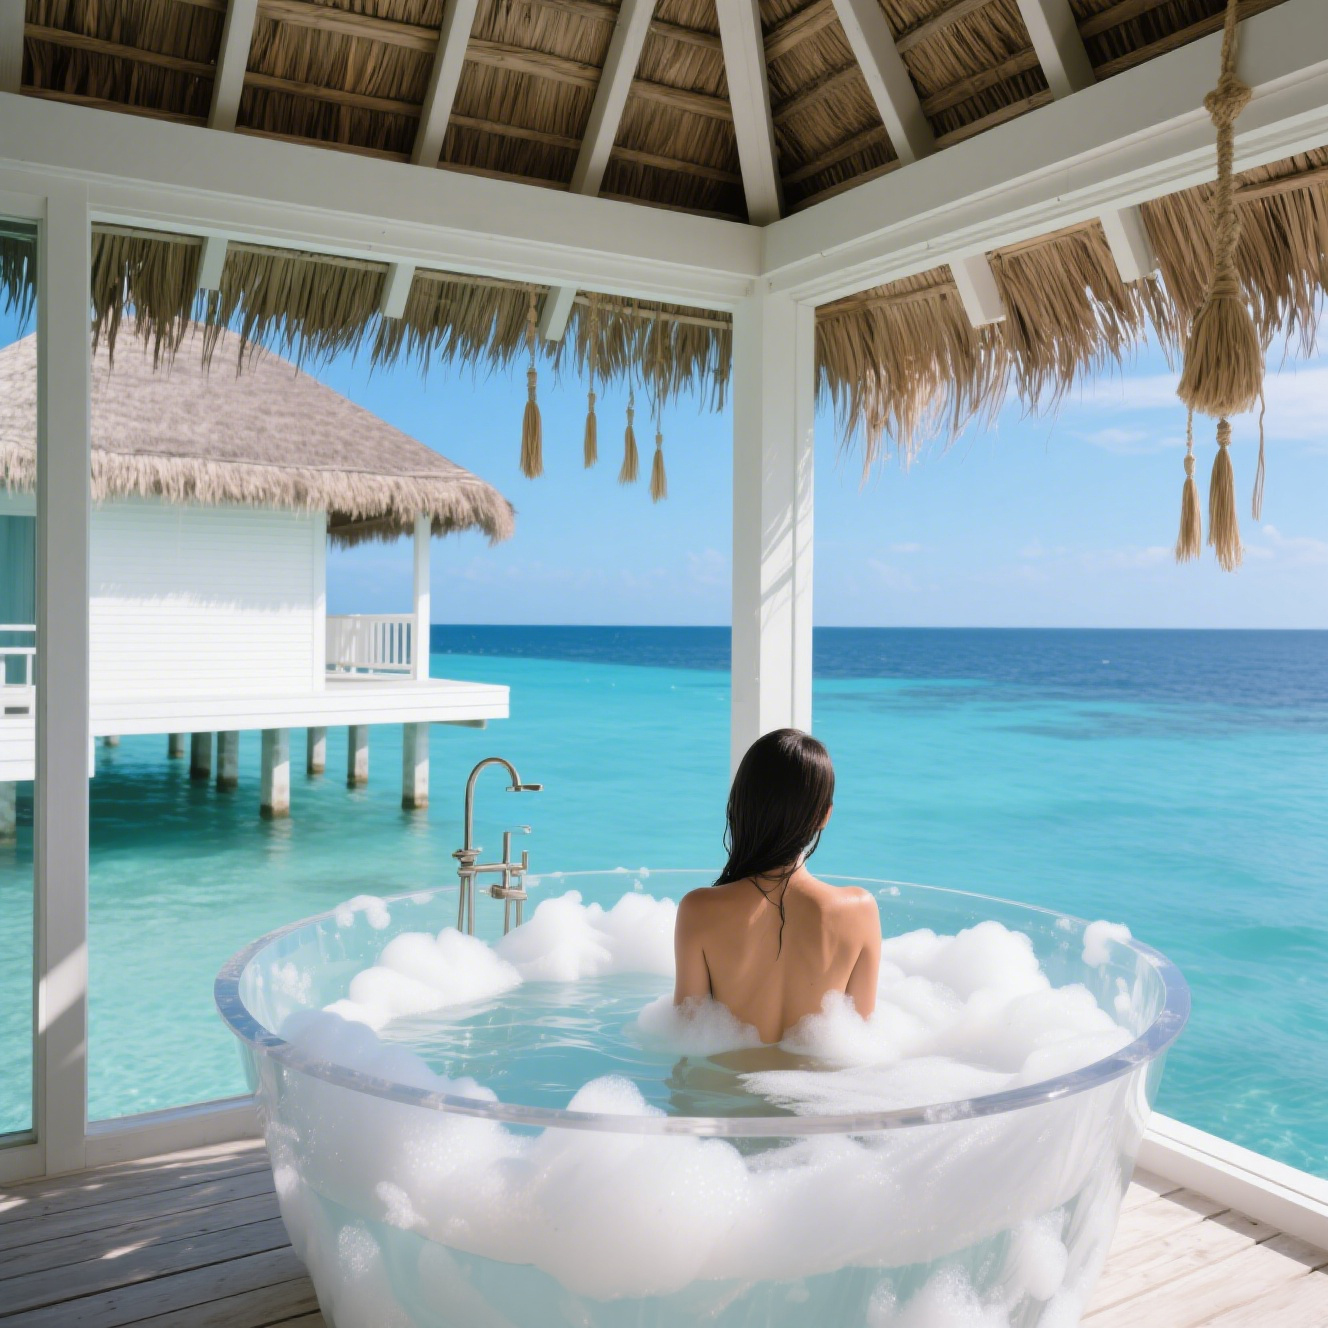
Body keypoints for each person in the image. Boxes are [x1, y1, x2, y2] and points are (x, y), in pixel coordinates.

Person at [673, 729, 881, 1043]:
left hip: (725, 1077)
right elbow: (861, 1042)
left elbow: (685, 1038)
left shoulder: (698, 910)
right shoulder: (860, 911)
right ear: (825, 816)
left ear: (739, 805)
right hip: (821, 1077)